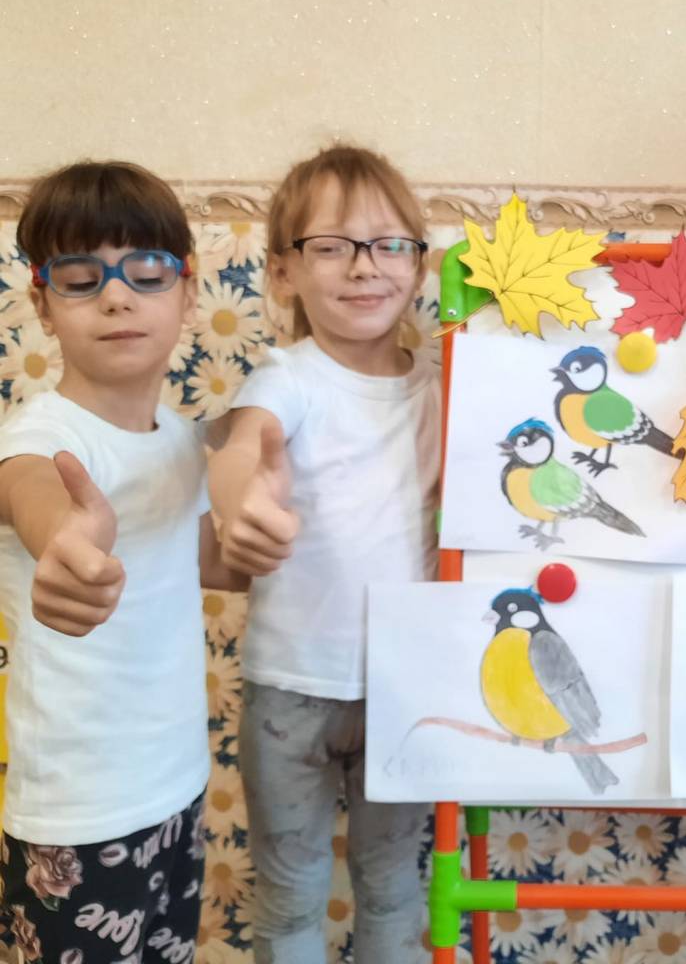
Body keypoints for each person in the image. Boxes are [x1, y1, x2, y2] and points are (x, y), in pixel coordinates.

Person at [0, 160, 244, 962]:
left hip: (177, 785)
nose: (116, 296)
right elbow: (39, 499)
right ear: (42, 303)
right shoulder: (40, 440)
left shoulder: (178, 437)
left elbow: (209, 561)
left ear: (187, 290)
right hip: (78, 817)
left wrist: (268, 535)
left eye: (146, 271)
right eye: (81, 278)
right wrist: (68, 548)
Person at [208, 145, 439, 962]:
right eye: (332, 246)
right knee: (289, 897)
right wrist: (240, 501)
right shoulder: (288, 377)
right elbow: (245, 445)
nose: (364, 267)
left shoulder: (445, 383)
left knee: (393, 887)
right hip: (290, 689)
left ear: (418, 264)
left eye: (388, 245)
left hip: (407, 684)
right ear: (283, 273)